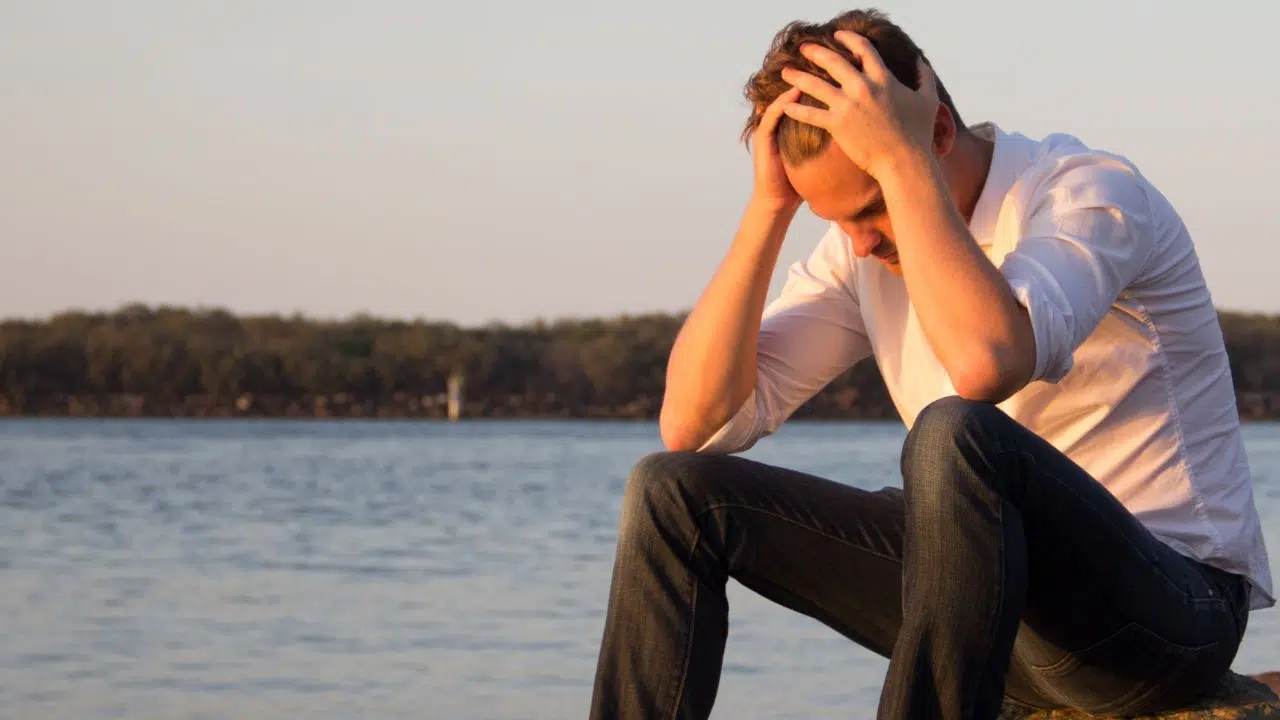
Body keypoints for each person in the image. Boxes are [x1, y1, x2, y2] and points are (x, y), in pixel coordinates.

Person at [587, 8, 1274, 720]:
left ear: (937, 132)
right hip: (1005, 624)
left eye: (872, 205)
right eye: (836, 220)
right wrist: (769, 208)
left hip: (1165, 620)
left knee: (957, 436)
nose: (856, 243)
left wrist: (900, 163)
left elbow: (986, 363)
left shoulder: (1086, 192)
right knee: (673, 494)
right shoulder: (861, 253)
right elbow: (696, 426)